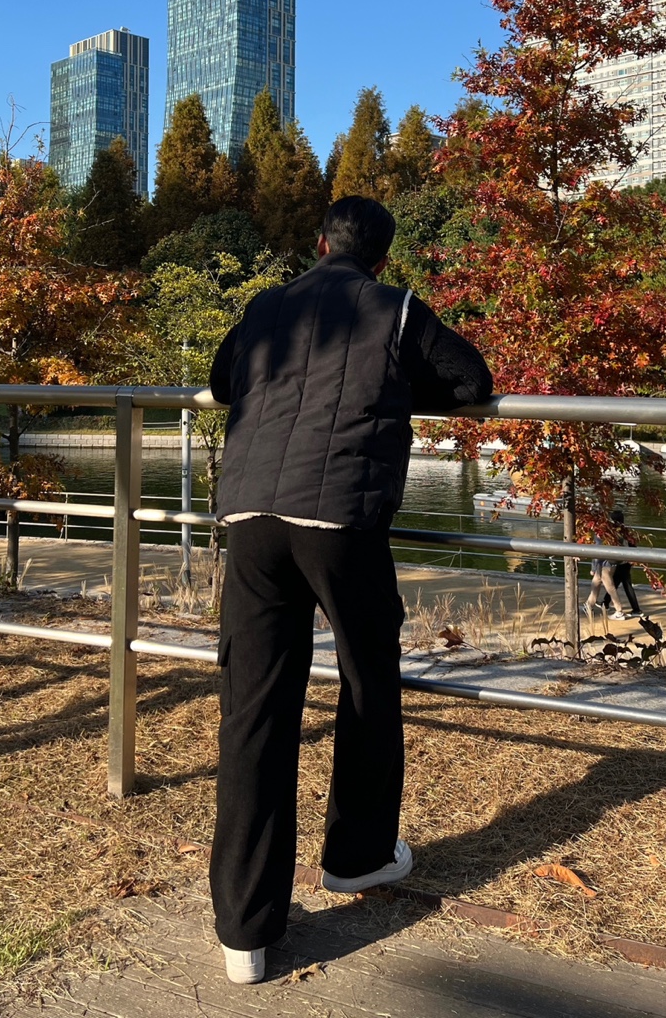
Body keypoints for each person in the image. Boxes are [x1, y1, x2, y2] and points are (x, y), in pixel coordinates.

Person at [207, 196, 493, 985]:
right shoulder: (396, 309)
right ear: (382, 259)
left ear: (319, 243)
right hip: (339, 516)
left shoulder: (266, 306)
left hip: (251, 515)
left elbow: (222, 380)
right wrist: (394, 386)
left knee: (254, 708)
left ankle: (243, 932)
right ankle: (357, 856)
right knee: (367, 679)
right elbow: (472, 380)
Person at [600, 508, 642, 618]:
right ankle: (605, 602)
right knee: (615, 581)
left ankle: (636, 609)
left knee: (625, 584)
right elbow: (633, 545)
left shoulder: (615, 533)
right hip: (625, 561)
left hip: (622, 561)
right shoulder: (626, 531)